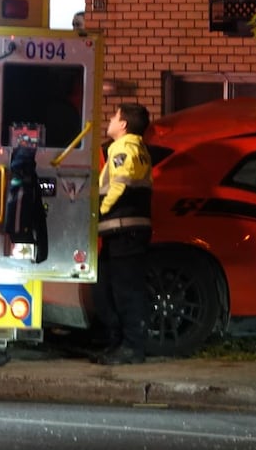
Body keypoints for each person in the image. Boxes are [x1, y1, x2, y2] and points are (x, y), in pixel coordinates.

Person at [92, 102, 153, 365]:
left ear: (124, 124)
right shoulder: (139, 149)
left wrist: (100, 212)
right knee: (106, 287)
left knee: (126, 291)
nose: (110, 120)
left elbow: (118, 185)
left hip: (123, 229)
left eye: (115, 116)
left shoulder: (123, 148)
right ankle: (118, 342)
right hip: (124, 231)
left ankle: (131, 347)